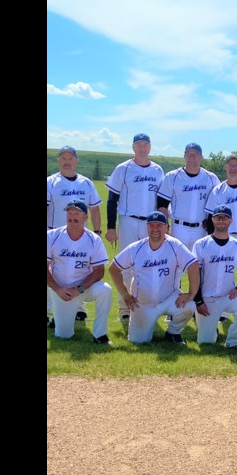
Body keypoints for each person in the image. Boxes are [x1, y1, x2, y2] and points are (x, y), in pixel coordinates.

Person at [108, 212, 200, 345]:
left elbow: (193, 264)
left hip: (169, 299)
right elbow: (113, 268)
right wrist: (125, 295)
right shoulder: (136, 248)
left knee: (189, 306)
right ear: (147, 227)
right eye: (151, 225)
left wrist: (191, 294)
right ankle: (144, 327)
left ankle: (173, 332)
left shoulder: (175, 245)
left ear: (166, 227)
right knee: (138, 341)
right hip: (142, 304)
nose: (155, 229)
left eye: (159, 225)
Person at [105, 133, 165, 321]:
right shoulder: (123, 168)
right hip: (128, 220)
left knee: (151, 264)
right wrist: (111, 227)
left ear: (150, 147)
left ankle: (148, 305)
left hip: (152, 223)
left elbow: (162, 200)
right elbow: (111, 200)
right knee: (126, 265)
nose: (142, 148)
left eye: (146, 144)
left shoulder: (157, 170)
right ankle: (125, 308)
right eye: (139, 144)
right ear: (133, 147)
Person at [47, 145, 102, 324]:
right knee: (52, 274)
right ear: (59, 161)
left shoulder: (86, 182)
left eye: (70, 158)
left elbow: (94, 208)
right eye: (63, 158)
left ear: (76, 161)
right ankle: (49, 311)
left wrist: (97, 232)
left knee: (79, 270)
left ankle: (78, 309)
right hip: (54, 234)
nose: (67, 161)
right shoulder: (51, 182)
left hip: (80, 236)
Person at [46, 201, 113, 344]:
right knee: (64, 336)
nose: (72, 217)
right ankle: (58, 319)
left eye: (77, 213)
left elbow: (99, 271)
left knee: (105, 290)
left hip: (84, 288)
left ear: (85, 217)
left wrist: (80, 289)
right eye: (69, 213)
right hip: (61, 290)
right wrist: (58, 289)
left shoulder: (94, 239)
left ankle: (100, 335)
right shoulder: (51, 236)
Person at [191, 207, 237, 347]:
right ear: (212, 219)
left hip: (228, 296)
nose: (221, 220)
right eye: (218, 217)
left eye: (225, 217)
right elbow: (195, 274)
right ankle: (212, 331)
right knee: (206, 342)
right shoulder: (201, 244)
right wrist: (199, 301)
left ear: (231, 220)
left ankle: (233, 342)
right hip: (207, 299)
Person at [157, 143, 220, 250]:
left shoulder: (211, 178)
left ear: (201, 157)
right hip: (179, 228)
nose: (192, 157)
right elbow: (162, 204)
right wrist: (164, 225)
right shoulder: (173, 176)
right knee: (178, 264)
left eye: (195, 154)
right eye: (189, 154)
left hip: (201, 229)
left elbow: (217, 205)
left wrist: (212, 226)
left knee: (199, 264)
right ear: (184, 156)